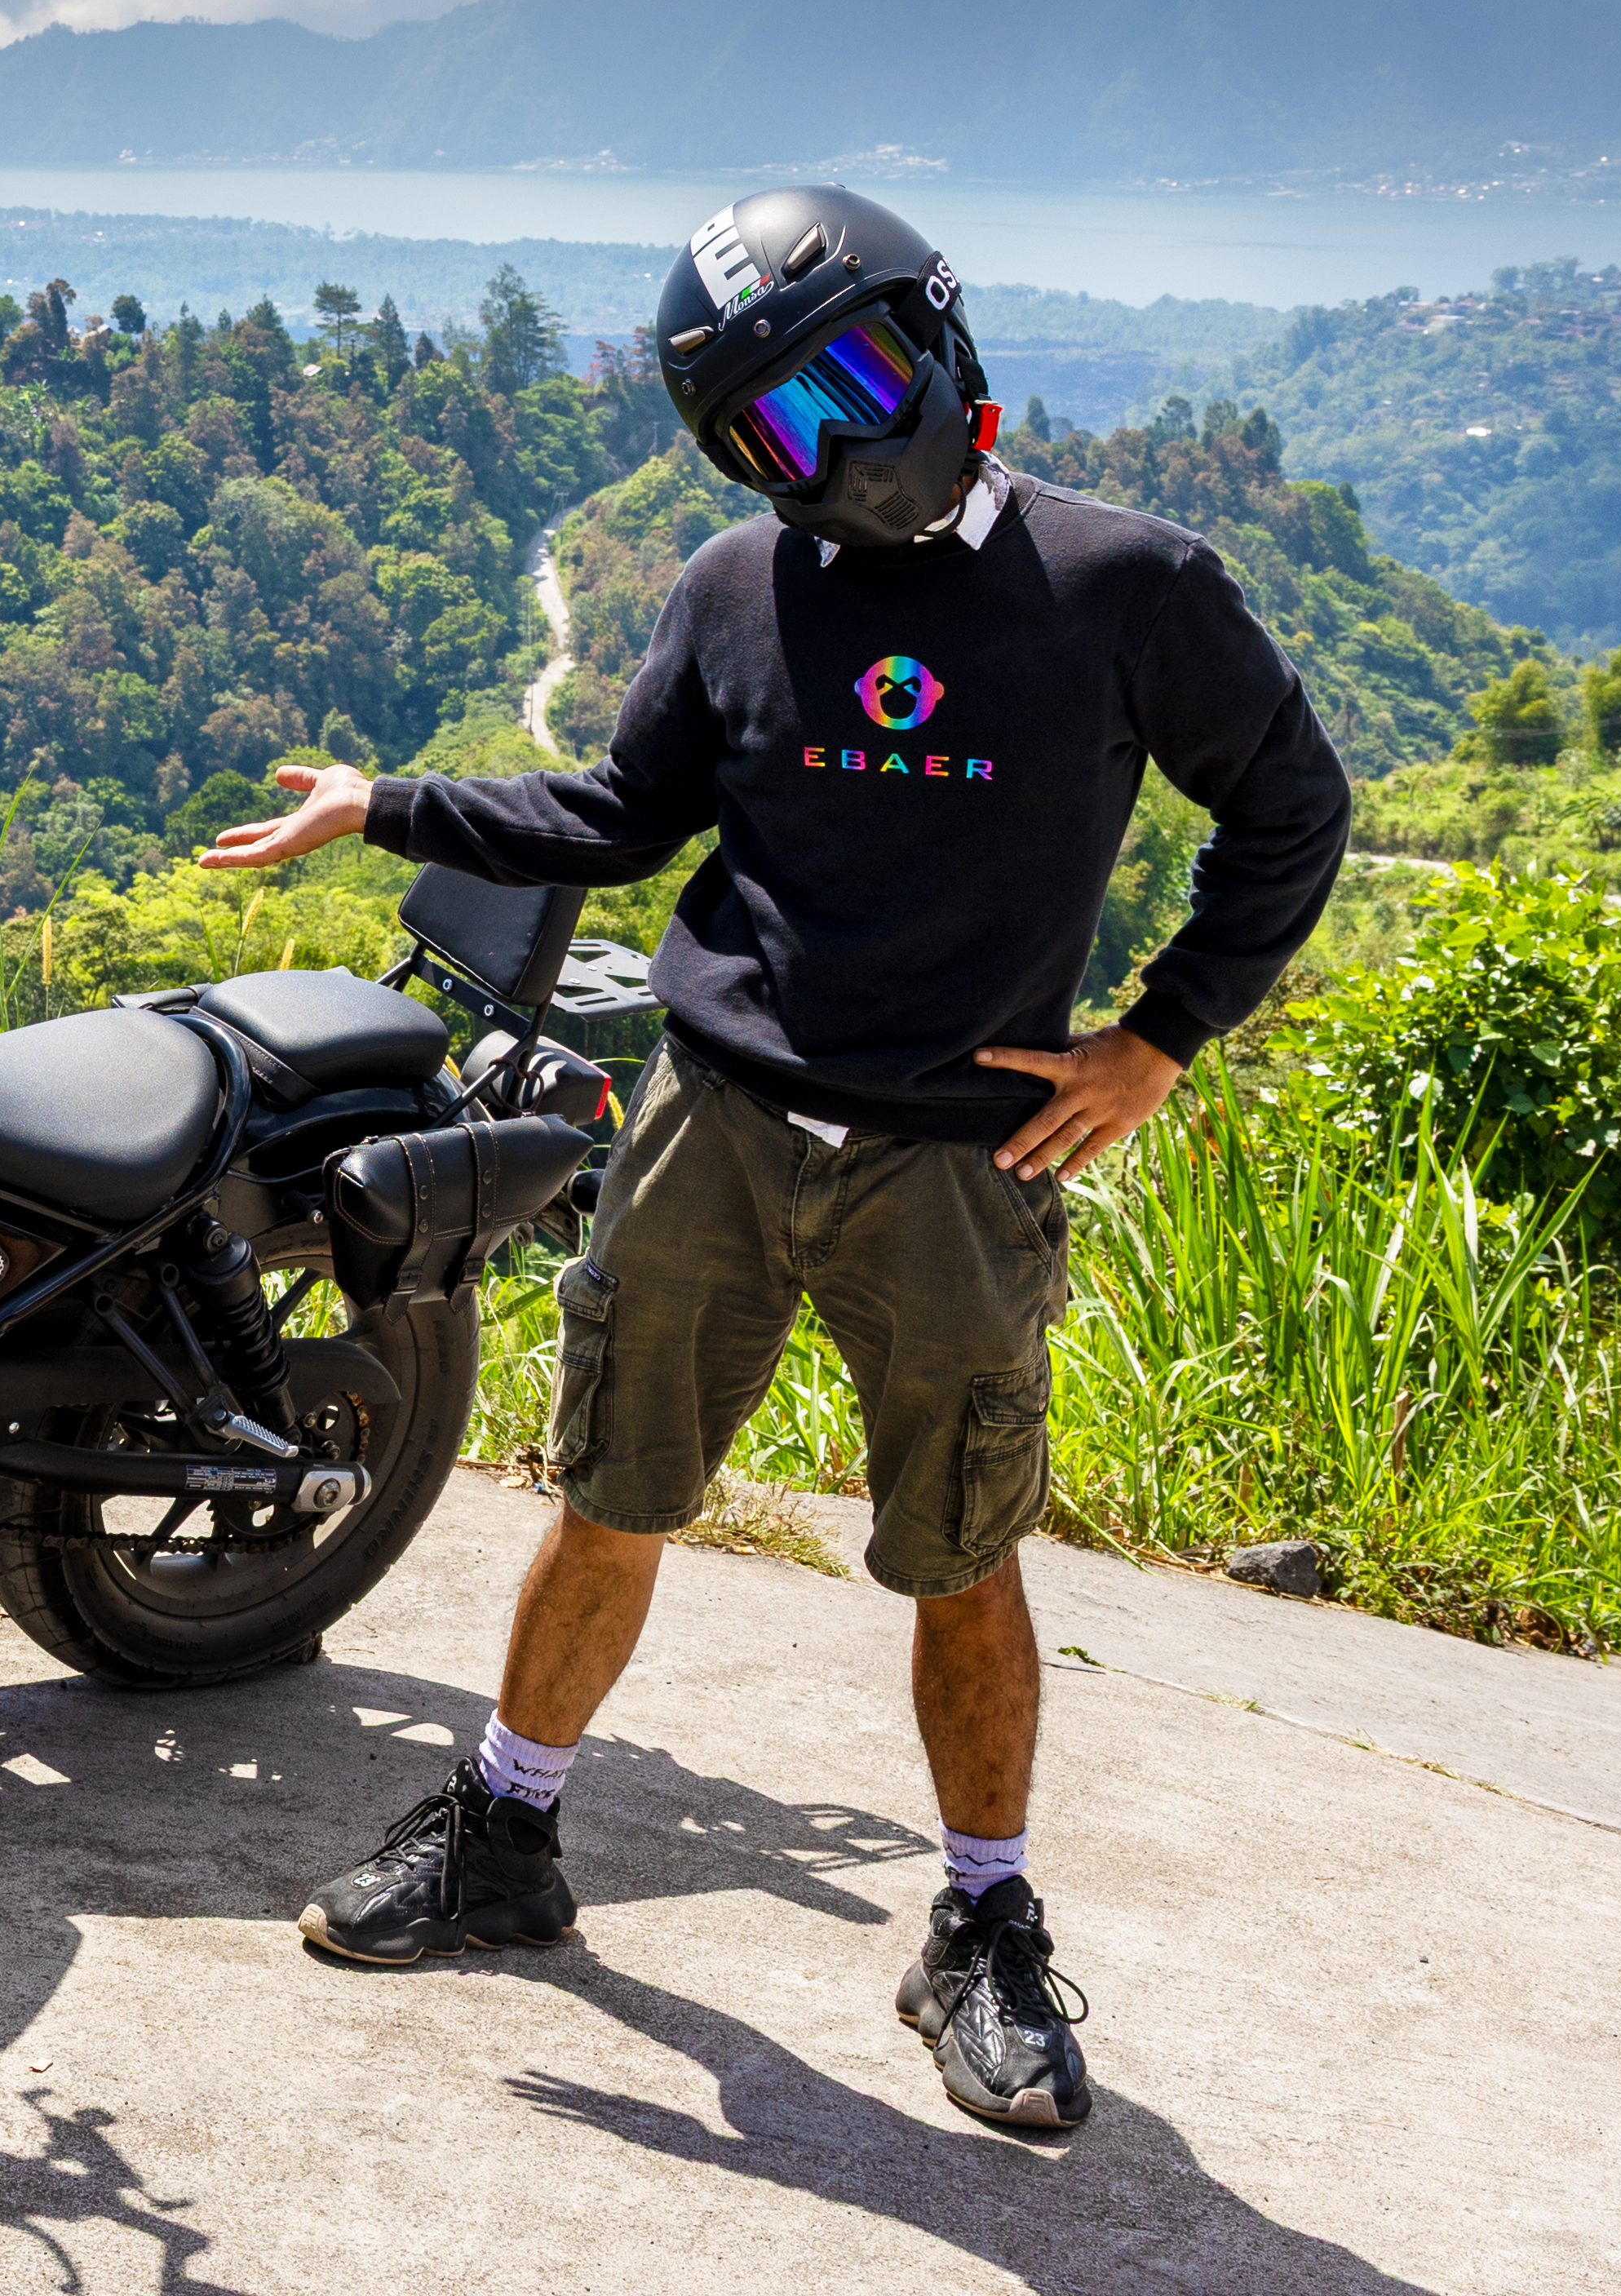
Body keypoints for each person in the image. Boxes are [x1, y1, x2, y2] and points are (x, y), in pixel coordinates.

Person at [198, 184, 1349, 2134]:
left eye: (847, 393)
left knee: (960, 1551)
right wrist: (381, 800)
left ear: (936, 332)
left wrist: (1157, 1039)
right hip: (714, 1127)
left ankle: (980, 1927)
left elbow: (1293, 809)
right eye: (771, 433)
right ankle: (507, 1836)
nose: (827, 455)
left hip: (955, 1163)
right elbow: (620, 811)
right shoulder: (741, 584)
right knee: (610, 1488)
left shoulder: (1131, 585)